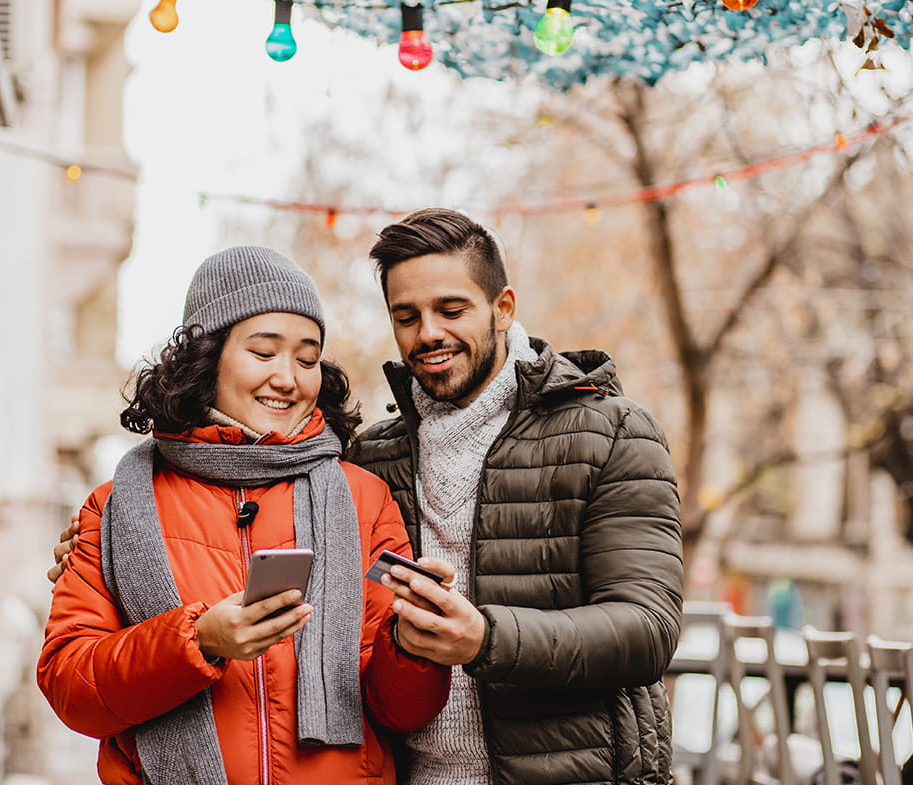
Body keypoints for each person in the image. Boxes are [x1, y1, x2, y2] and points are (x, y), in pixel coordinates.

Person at [50, 211, 685, 785]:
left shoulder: (608, 434)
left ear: (504, 306)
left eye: (453, 309)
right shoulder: (373, 456)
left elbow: (649, 629)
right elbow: (75, 675)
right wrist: (162, 603)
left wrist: (478, 639)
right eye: (406, 317)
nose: (429, 332)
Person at [37, 245, 449, 785]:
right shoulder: (116, 505)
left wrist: (415, 644)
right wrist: (198, 642)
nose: (288, 378)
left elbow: (401, 712)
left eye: (307, 359)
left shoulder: (362, 498)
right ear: (207, 358)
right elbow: (73, 690)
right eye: (264, 352)